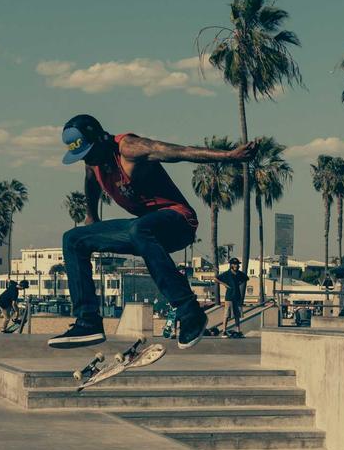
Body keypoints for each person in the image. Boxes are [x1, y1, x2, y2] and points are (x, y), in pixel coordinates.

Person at [48, 114, 253, 349]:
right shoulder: (92, 161)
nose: (90, 160)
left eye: (92, 153)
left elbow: (181, 152)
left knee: (139, 228)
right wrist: (91, 215)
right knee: (73, 239)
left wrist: (229, 156)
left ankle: (190, 312)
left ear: (102, 139)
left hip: (179, 222)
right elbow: (90, 181)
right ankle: (88, 321)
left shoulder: (130, 148)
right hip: (144, 231)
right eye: (85, 157)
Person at [216, 257, 249, 336]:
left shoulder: (239, 274)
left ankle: (238, 330)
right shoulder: (227, 273)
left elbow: (246, 278)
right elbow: (216, 278)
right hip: (229, 297)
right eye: (234, 264)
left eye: (237, 264)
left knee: (237, 315)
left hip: (237, 297)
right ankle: (224, 330)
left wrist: (239, 284)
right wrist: (225, 285)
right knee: (227, 315)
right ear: (231, 265)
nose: (236, 266)